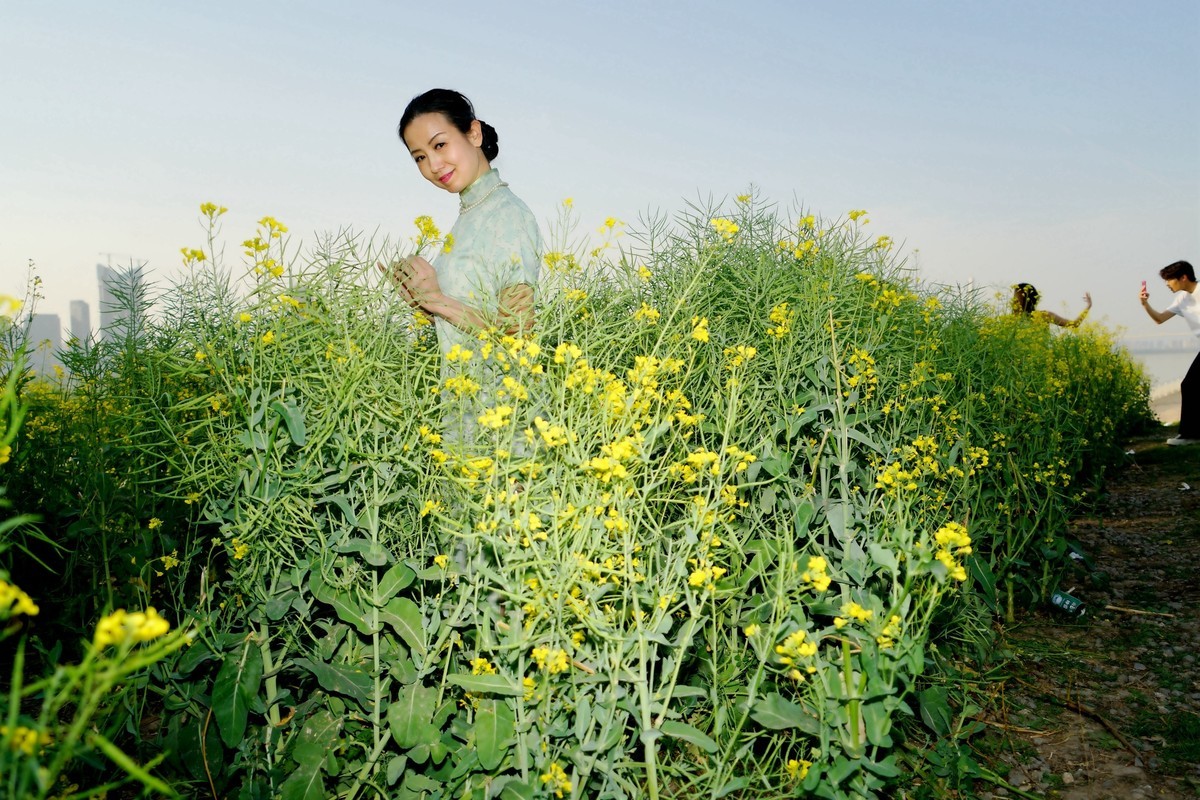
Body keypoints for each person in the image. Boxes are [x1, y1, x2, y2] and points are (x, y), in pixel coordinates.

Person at [388, 88, 543, 443]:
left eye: (439, 145)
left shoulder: (507, 215)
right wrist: (424, 304)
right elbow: (473, 317)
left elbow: (516, 333)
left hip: (505, 423)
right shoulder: (469, 217)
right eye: (419, 158)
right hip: (465, 413)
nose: (433, 166)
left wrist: (437, 300)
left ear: (473, 133)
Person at [1140, 260, 1200, 446]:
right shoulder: (1182, 299)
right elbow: (1159, 319)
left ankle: (1189, 435)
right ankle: (1191, 434)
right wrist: (1145, 304)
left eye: (1169, 279)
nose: (1167, 284)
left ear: (1183, 277)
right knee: (1191, 386)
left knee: (1190, 385)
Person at [1011, 283, 1092, 328]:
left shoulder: (1043, 316)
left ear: (1027, 300)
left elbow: (1074, 324)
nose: (1013, 303)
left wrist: (1088, 306)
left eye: (1017, 299)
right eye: (1013, 299)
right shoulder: (1010, 322)